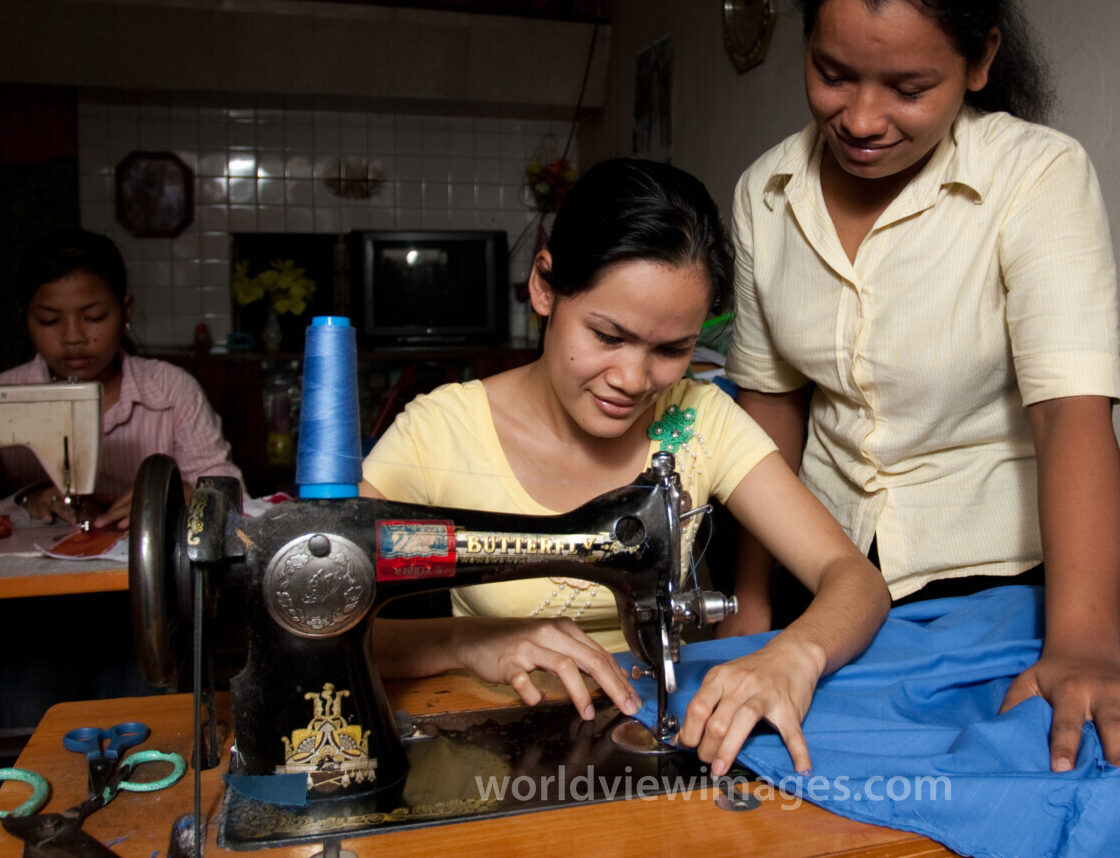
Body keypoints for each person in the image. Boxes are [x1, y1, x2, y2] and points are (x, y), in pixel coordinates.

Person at [722, 0, 1120, 778]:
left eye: (908, 88)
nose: (862, 120)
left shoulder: (1036, 177)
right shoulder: (766, 194)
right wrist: (752, 609)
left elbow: (1070, 415)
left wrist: (1086, 647)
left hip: (989, 586)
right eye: (833, 73)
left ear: (979, 60)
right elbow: (766, 419)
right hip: (821, 580)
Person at [361, 158, 889, 777]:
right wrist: (470, 640)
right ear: (544, 286)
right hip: (495, 749)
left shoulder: (699, 418)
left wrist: (794, 653)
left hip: (651, 726)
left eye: (673, 350)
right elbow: (325, 619)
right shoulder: (435, 436)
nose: (635, 381)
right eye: (608, 336)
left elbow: (853, 578)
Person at [0, 229, 242, 529]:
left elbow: (229, 493)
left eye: (94, 317)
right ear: (24, 320)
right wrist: (27, 498)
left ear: (125, 311)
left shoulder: (171, 391)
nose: (73, 338)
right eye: (49, 321)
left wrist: (180, 494)